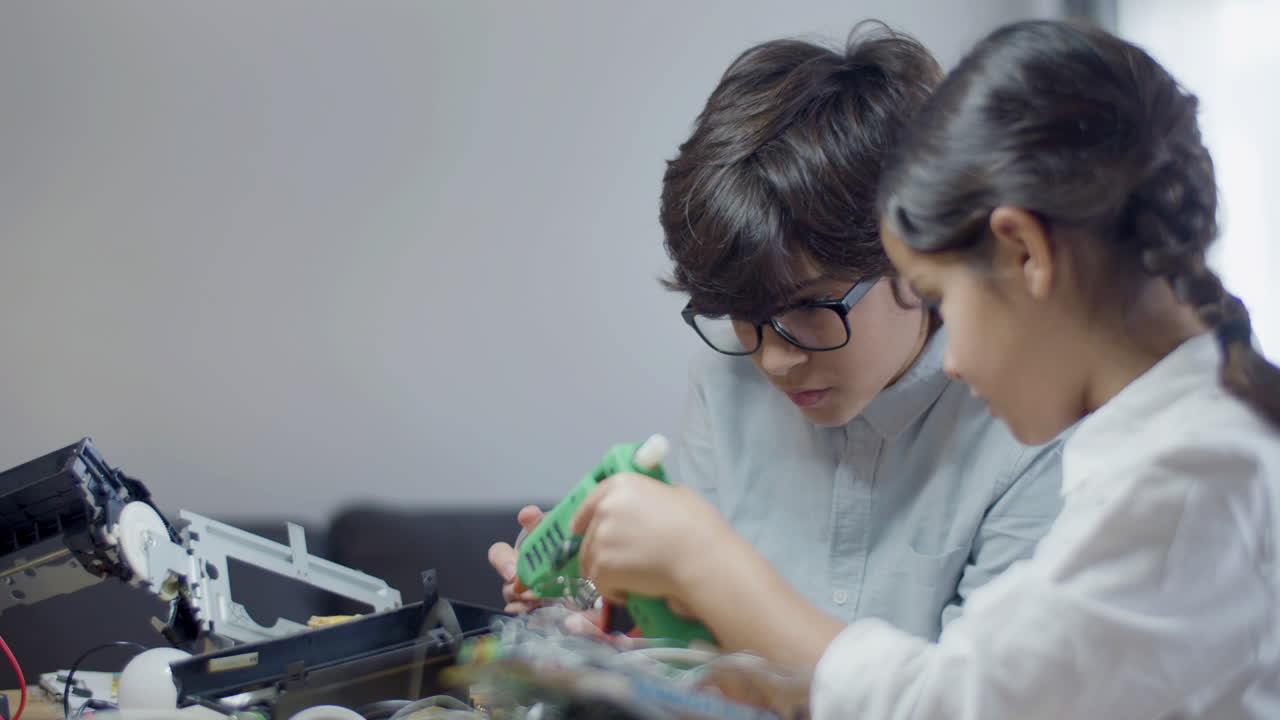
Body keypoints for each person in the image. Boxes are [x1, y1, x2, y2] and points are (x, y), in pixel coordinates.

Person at [576, 18, 1280, 718]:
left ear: (1025, 252)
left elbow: (955, 704)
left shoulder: (1189, 485)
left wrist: (708, 563)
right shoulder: (1168, 454)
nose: (957, 361)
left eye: (939, 297)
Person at [489, 21, 1062, 648]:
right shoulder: (726, 377)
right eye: (745, 315)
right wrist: (619, 642)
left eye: (812, 307)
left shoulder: (1030, 426)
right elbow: (714, 656)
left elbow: (970, 701)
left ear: (913, 252)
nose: (775, 358)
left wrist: (704, 564)